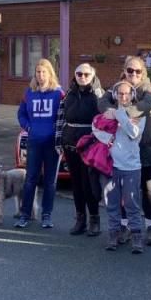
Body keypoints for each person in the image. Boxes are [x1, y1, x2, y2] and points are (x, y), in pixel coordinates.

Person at [98, 56, 151, 246]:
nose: (133, 74)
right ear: (125, 70)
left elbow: (148, 104)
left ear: (144, 72)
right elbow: (102, 102)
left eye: (137, 71)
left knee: (147, 191)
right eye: (130, 70)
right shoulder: (118, 86)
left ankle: (150, 226)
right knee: (124, 191)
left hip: (146, 148)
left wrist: (123, 113)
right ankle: (125, 227)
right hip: (122, 151)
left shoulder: (147, 88)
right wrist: (110, 110)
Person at [93, 80, 147, 253]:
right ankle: (113, 235)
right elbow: (95, 126)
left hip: (131, 168)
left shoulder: (140, 115)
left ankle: (137, 236)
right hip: (111, 167)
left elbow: (133, 133)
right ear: (115, 95)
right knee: (112, 204)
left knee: (132, 204)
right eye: (120, 94)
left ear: (132, 96)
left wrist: (119, 115)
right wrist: (108, 139)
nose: (123, 97)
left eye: (127, 94)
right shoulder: (109, 114)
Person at [54, 63, 104, 236]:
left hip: (90, 145)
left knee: (89, 184)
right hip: (70, 143)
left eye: (86, 74)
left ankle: (94, 219)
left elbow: (104, 120)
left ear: (92, 75)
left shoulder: (98, 94)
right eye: (79, 73)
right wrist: (59, 142)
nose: (82, 76)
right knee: (76, 184)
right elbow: (60, 118)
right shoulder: (69, 93)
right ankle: (80, 219)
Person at [15, 59, 64, 229]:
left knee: (50, 181)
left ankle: (46, 215)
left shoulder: (59, 94)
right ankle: (25, 214)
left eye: (44, 72)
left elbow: (63, 116)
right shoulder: (29, 93)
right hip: (34, 142)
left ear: (50, 73)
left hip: (52, 144)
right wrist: (29, 127)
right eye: (38, 72)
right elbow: (21, 114)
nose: (41, 75)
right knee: (30, 179)